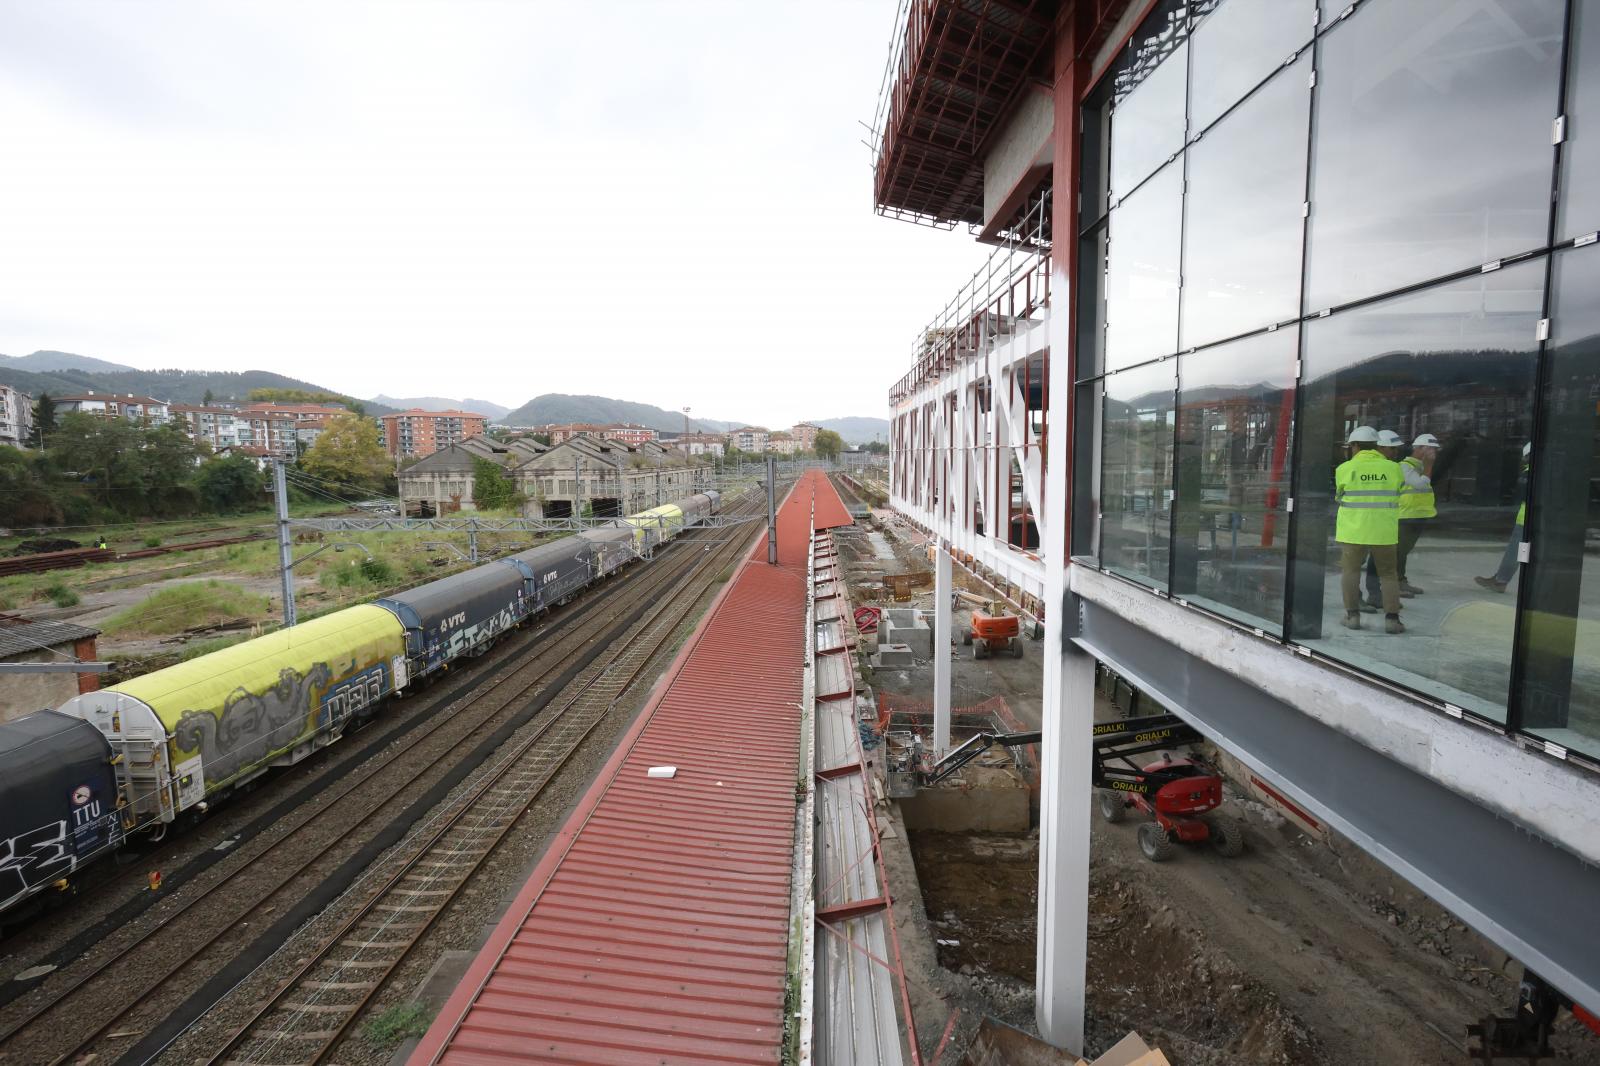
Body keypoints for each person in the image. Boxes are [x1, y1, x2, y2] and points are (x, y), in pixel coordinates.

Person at [1336, 426, 1405, 633]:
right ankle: (1392, 620)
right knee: (1388, 574)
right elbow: (1398, 491)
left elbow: (1340, 495)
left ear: (1355, 446)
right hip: (1384, 530)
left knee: (1350, 572)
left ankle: (1352, 617)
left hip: (1353, 530)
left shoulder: (1345, 469)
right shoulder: (1393, 468)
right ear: (1376, 445)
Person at [1363, 432, 1437, 603]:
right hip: (1404, 515)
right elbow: (1419, 484)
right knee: (1394, 553)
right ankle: (1387, 589)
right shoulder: (1404, 466)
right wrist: (1429, 465)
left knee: (1402, 552)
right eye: (1430, 449)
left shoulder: (1411, 466)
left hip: (1417, 514)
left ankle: (1399, 582)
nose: (1433, 453)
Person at [1477, 442, 1530, 593]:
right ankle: (1503, 579)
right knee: (1522, 553)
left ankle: (1501, 581)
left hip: (1526, 523)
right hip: (1527, 522)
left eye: (1526, 457)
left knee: (1517, 553)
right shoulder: (1535, 473)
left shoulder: (1530, 474)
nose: (1524, 460)